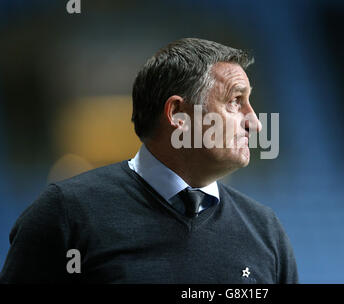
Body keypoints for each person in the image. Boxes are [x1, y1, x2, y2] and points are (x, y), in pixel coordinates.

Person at [0, 38, 298, 283]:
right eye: (235, 100)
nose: (255, 123)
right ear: (178, 114)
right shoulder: (66, 215)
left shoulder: (265, 230)